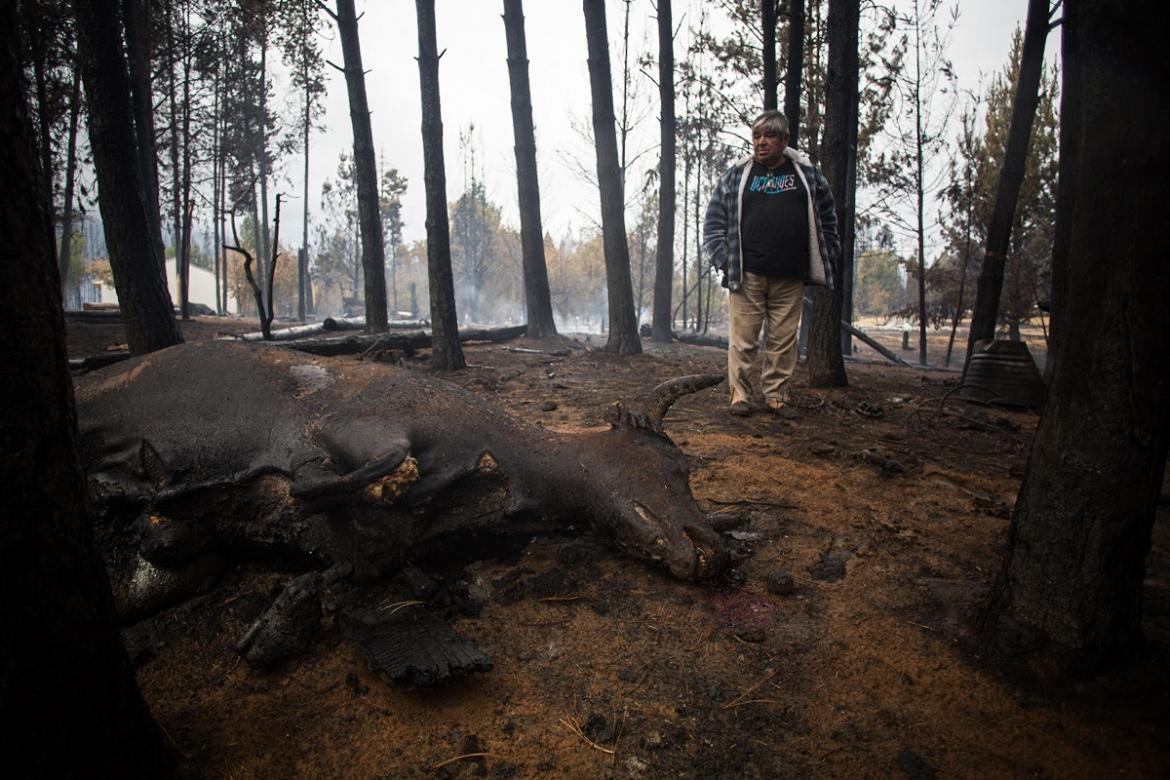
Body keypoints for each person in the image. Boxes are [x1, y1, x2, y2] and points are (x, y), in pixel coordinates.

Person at [703, 110, 840, 416]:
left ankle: (776, 396)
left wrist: (827, 253)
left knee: (783, 341)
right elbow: (713, 223)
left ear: (784, 140)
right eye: (756, 136)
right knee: (744, 341)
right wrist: (723, 260)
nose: (761, 143)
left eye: (769, 136)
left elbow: (828, 218)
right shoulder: (737, 175)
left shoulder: (807, 175)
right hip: (746, 273)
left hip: (790, 274)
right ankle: (739, 395)